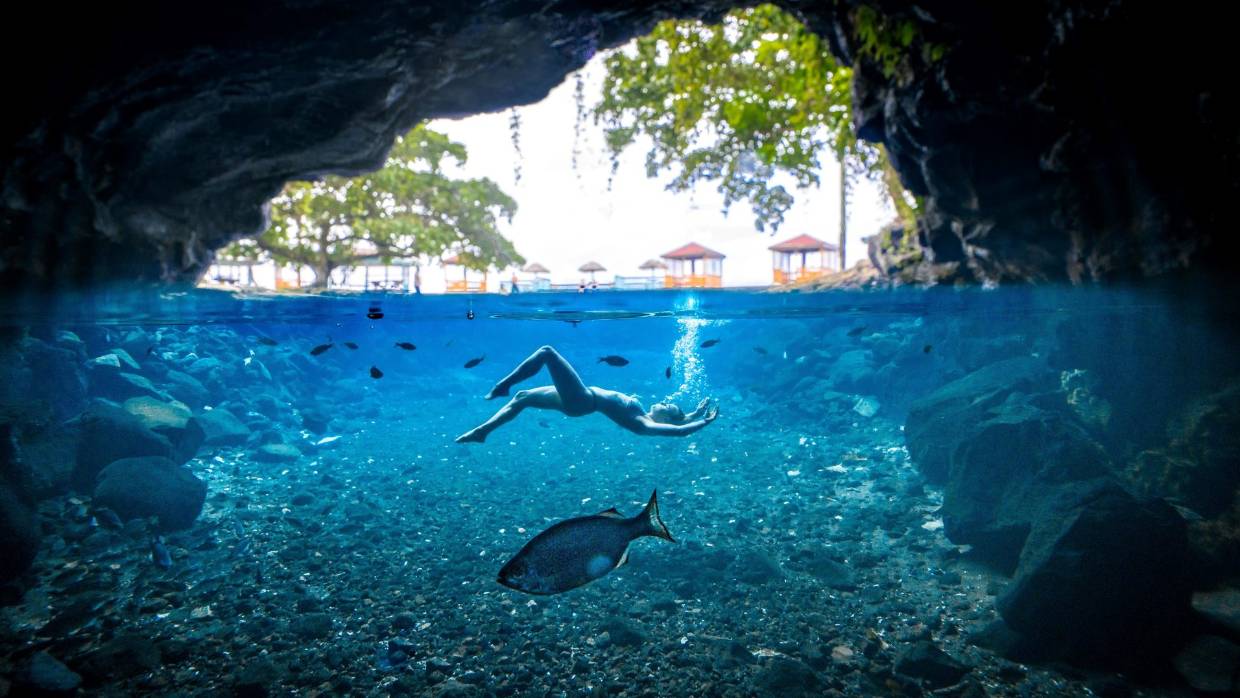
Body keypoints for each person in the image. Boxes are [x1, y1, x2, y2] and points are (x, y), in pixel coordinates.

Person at [456, 346, 718, 443]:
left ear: (666, 420)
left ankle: (502, 385)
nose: (667, 401)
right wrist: (695, 413)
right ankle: (482, 432)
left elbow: (680, 431)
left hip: (583, 401)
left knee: (547, 352)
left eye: (669, 407)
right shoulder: (647, 414)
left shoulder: (644, 424)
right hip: (583, 397)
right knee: (523, 397)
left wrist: (704, 422)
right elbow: (680, 423)